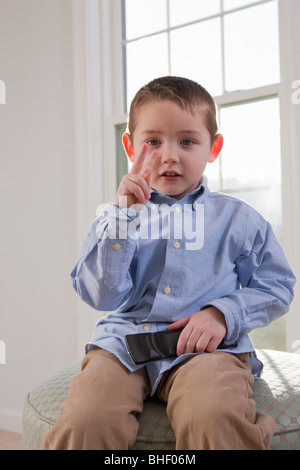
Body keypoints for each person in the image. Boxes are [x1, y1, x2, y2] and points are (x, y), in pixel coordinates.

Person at [42, 76, 295, 450]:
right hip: (123, 346)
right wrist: (122, 221)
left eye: (188, 141)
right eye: (153, 142)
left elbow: (277, 286)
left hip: (208, 352)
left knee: (213, 414)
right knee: (86, 420)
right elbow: (102, 296)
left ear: (213, 148)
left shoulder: (238, 220)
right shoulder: (115, 218)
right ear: (130, 146)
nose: (169, 155)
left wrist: (222, 314)